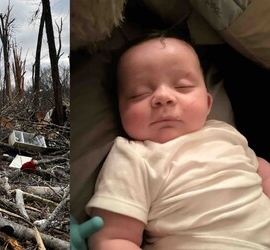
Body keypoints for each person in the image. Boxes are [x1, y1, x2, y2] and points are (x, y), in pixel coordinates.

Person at [86, 35, 270, 249]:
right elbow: (113, 238)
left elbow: (261, 170)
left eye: (182, 87)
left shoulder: (226, 133)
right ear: (119, 110)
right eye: (139, 94)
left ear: (208, 103)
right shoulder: (132, 156)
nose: (163, 97)